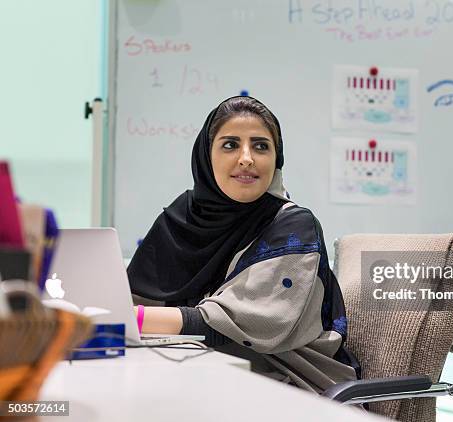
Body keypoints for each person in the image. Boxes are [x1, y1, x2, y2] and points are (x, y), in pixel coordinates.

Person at [127, 96, 360, 393]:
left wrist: (132, 318)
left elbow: (225, 325)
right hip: (192, 373)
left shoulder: (293, 227)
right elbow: (131, 300)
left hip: (290, 386)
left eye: (261, 146)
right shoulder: (180, 218)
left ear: (277, 158)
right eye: (230, 144)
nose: (246, 158)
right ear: (206, 156)